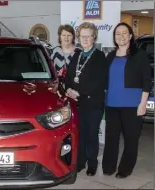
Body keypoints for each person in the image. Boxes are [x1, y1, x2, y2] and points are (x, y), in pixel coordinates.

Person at [102, 22, 150, 178]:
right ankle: (108, 167)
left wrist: (143, 103)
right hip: (111, 104)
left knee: (131, 138)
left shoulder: (139, 55)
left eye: (124, 33)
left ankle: (125, 168)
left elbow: (146, 81)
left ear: (130, 36)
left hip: (132, 104)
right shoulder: (110, 56)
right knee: (111, 137)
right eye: (117, 34)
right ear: (114, 37)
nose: (121, 36)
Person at [64, 22, 108, 176]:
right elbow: (69, 76)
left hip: (93, 104)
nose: (85, 39)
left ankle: (92, 164)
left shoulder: (100, 56)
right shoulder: (77, 54)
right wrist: (69, 88)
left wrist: (79, 93)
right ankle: (81, 162)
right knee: (80, 134)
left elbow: (99, 82)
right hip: (78, 105)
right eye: (82, 36)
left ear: (94, 38)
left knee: (91, 135)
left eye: (88, 36)